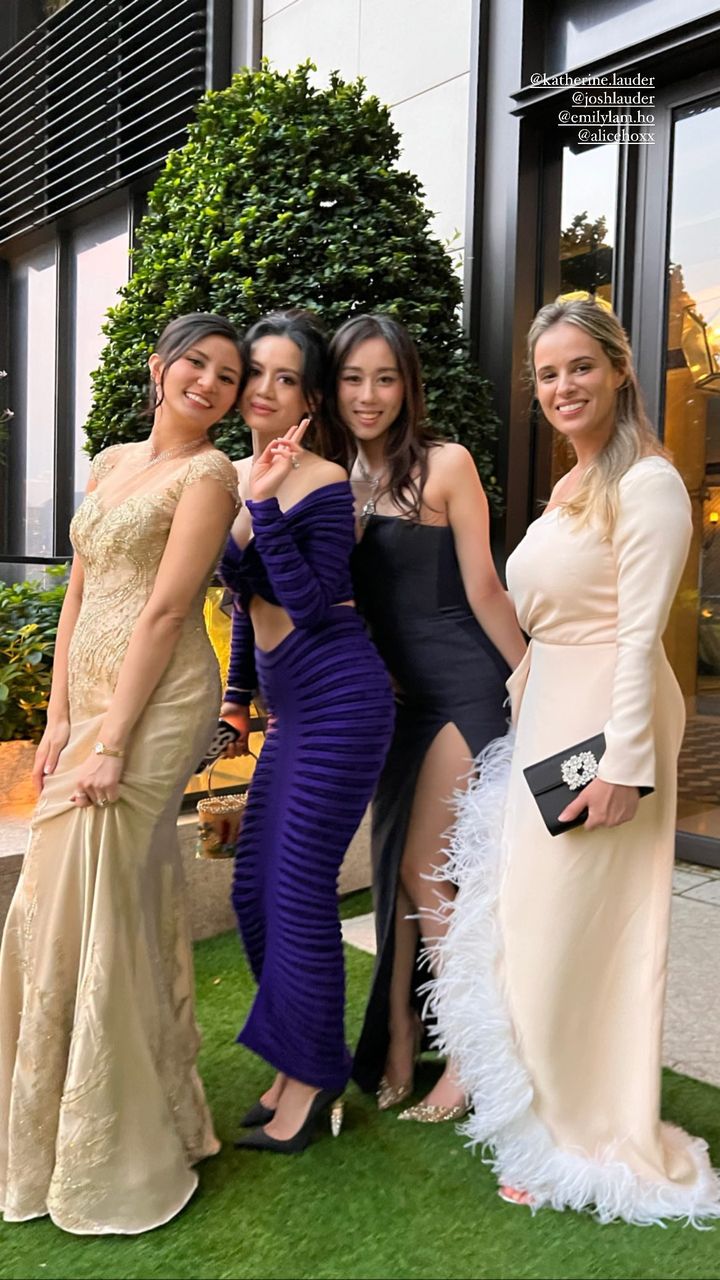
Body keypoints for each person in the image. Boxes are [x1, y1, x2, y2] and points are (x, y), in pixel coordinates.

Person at [428, 297, 720, 1223]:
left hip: (607, 725)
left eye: (580, 367)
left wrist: (624, 765)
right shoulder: (574, 484)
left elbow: (640, 635)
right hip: (552, 718)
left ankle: (587, 1138)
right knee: (537, 927)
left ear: (620, 371)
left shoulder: (649, 484)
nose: (563, 387)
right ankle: (545, 1120)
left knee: (579, 934)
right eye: (548, 374)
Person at [0, 313, 242, 1234]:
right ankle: (82, 1110)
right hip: (91, 697)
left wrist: (112, 741)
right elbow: (81, 587)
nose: (208, 383)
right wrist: (61, 715)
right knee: (73, 895)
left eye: (227, 376)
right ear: (159, 366)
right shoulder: (110, 461)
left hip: (160, 699)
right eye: (196, 364)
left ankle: (117, 1140)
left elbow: (167, 610)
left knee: (93, 892)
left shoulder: (209, 475)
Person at [324, 313, 526, 1120]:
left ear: (408, 386)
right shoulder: (329, 479)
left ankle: (470, 1058)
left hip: (464, 689)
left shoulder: (446, 464)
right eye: (353, 378)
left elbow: (486, 588)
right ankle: (401, 1037)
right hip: (397, 705)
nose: (369, 395)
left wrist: (530, 680)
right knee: (397, 873)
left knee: (424, 871)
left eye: (385, 378)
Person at [218, 310, 395, 1154]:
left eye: (286, 378)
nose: (265, 389)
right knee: (253, 889)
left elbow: (313, 603)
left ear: (309, 399)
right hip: (291, 711)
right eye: (256, 371)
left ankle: (314, 1074)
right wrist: (236, 698)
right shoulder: (237, 474)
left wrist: (262, 506)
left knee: (296, 891)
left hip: (341, 701)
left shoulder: (321, 480)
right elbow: (243, 602)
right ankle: (295, 1059)